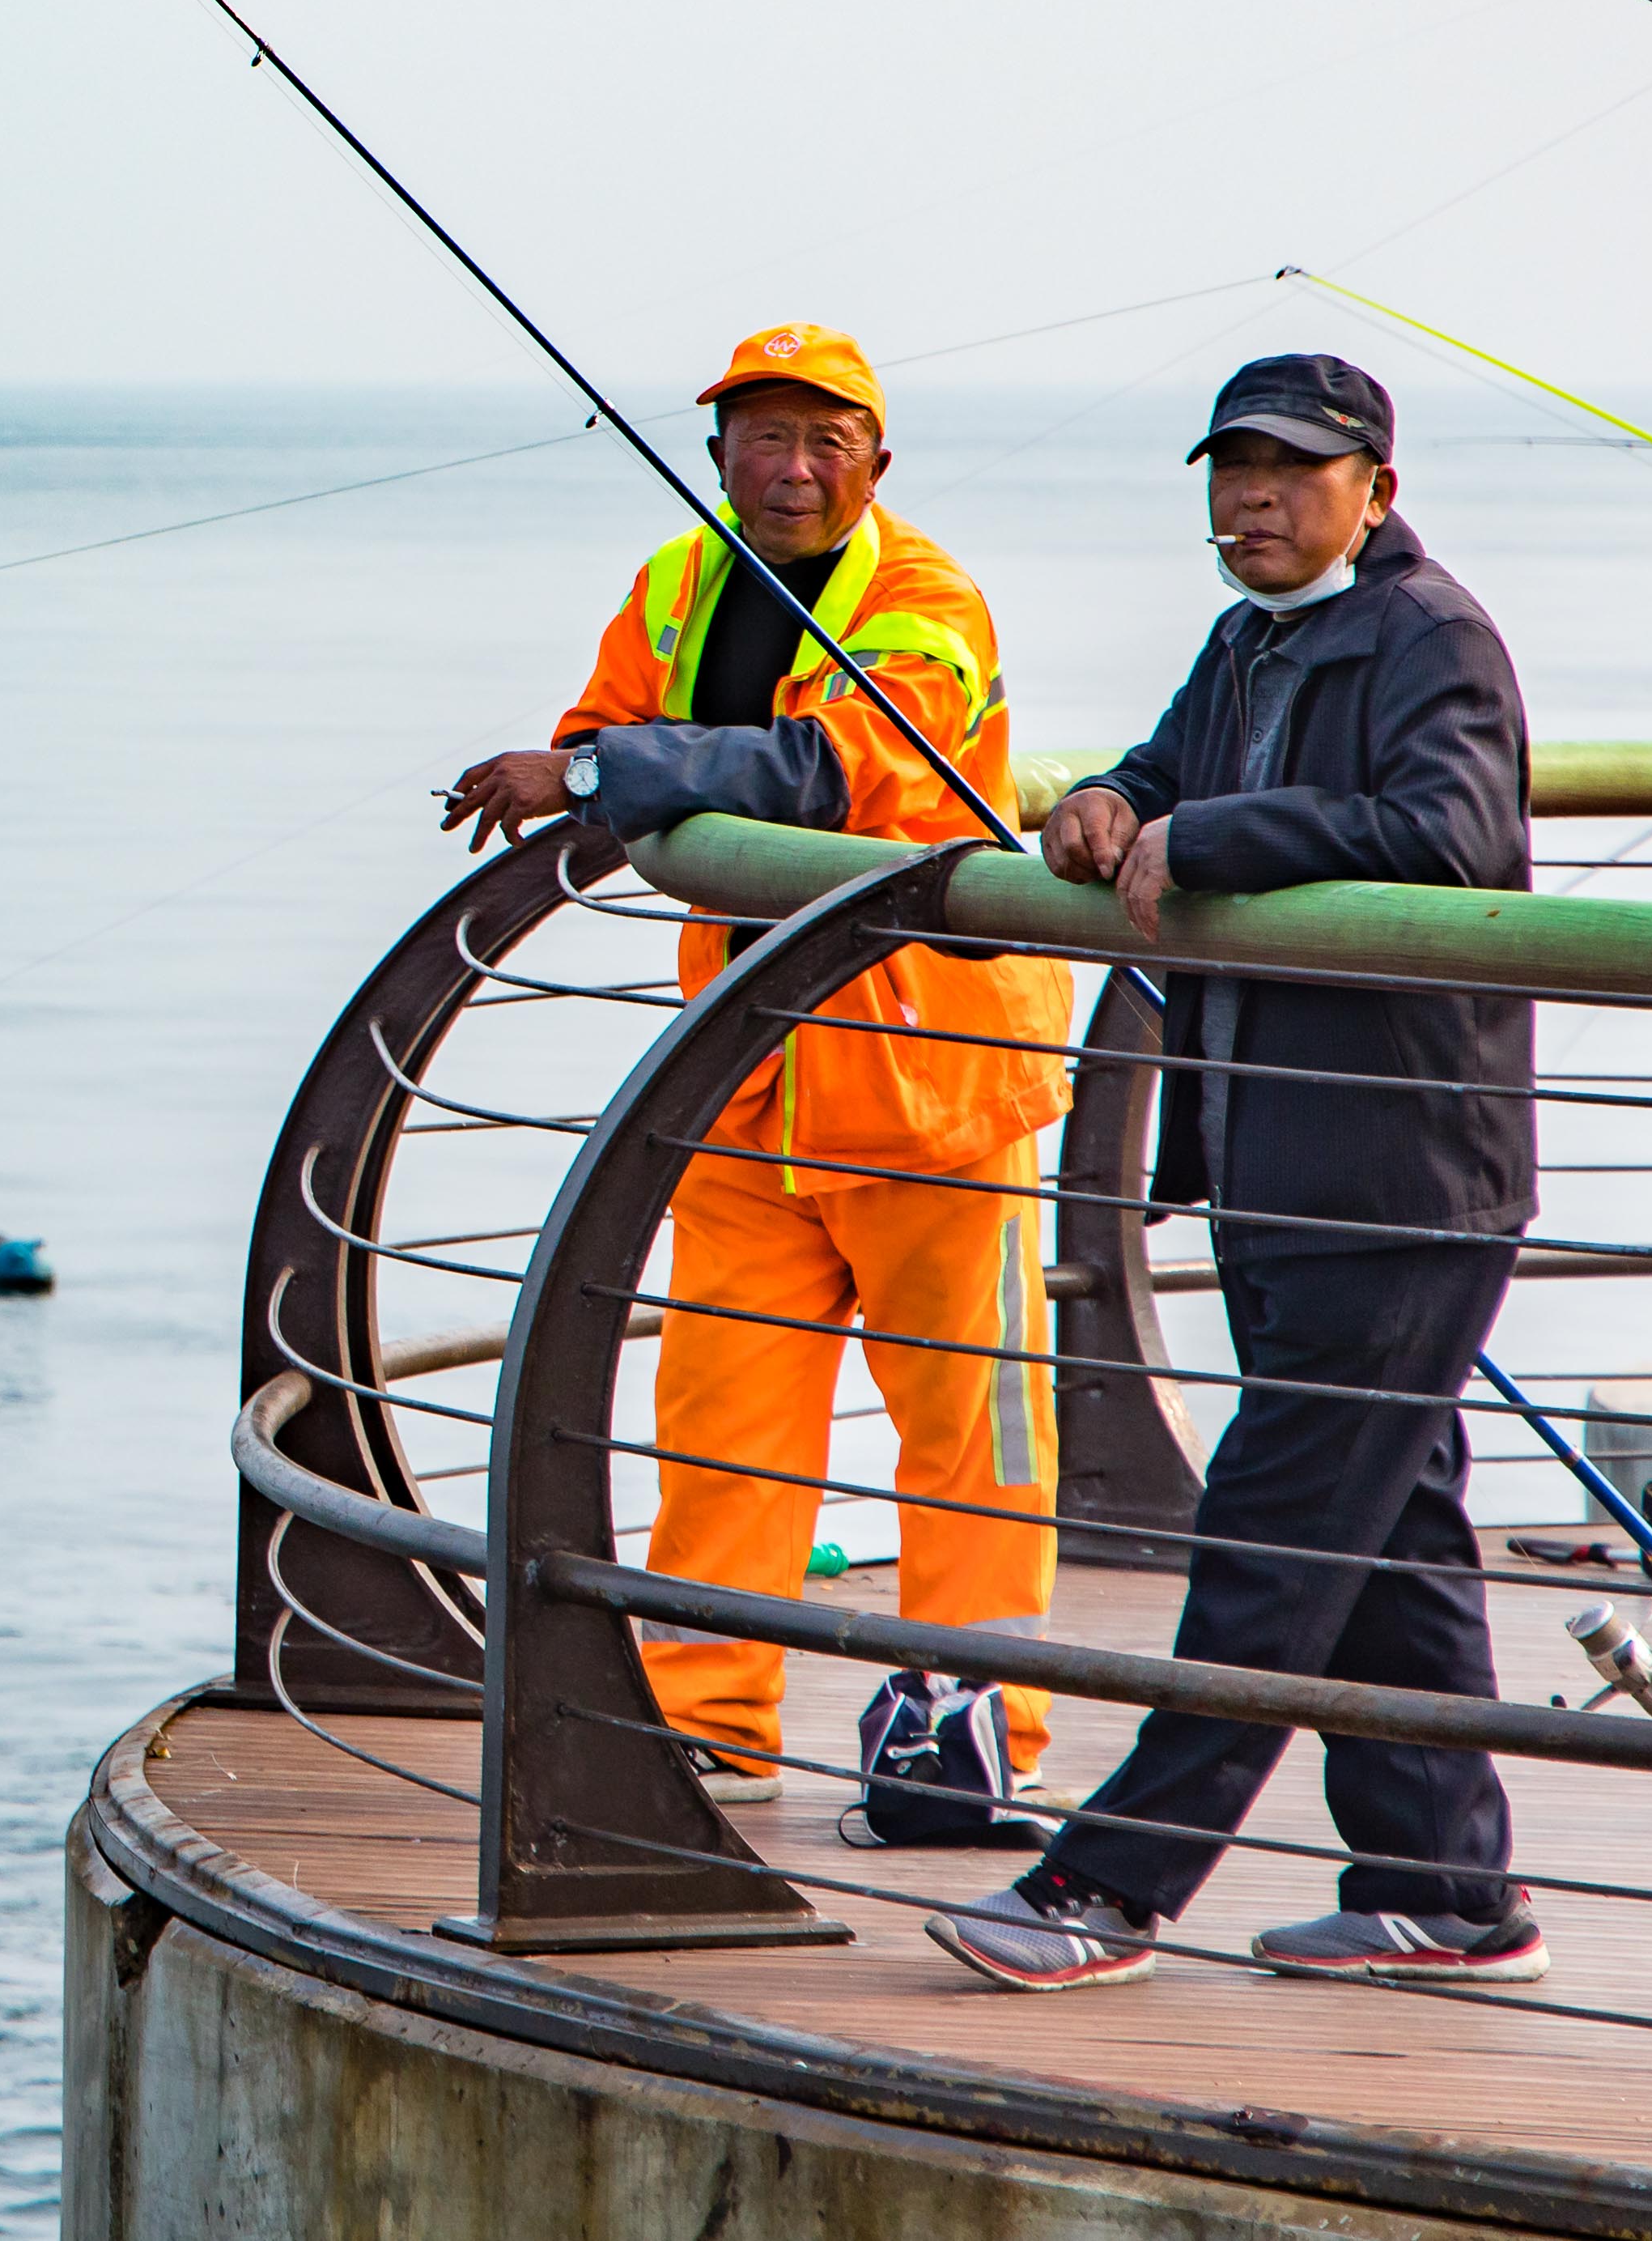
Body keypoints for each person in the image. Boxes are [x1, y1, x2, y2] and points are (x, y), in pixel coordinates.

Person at [930, 353, 1546, 1992]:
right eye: (1230, 468)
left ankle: (1103, 1890)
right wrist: (1108, 803)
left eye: (1291, 468)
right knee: (1388, 1529)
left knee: (1271, 1534)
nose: (1252, 496)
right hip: (1280, 1159)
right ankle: (1444, 1891)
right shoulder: (1246, 639)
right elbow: (1165, 769)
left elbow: (1447, 832)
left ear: (1375, 488)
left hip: (1399, 1177)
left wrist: (1202, 839)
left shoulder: (1431, 637)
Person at [451, 324, 1074, 1807]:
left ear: (877, 462)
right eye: (761, 438)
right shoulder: (677, 581)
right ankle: (701, 1731)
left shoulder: (926, 599)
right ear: (719, 446)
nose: (790, 469)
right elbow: (597, 724)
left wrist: (609, 776)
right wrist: (604, 763)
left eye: (824, 442)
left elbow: (840, 772)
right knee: (721, 1437)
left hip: (937, 1093)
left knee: (970, 1440)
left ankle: (979, 1734)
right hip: (741, 1094)